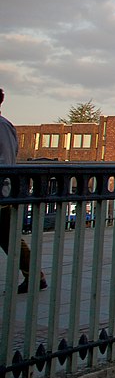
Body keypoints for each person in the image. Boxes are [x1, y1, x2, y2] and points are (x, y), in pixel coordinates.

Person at [0, 88, 45, 293]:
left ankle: (34, 276)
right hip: (6, 190)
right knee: (9, 237)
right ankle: (35, 276)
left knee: (9, 237)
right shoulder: (5, 126)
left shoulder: (2, 126)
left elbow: (6, 159)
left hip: (3, 191)